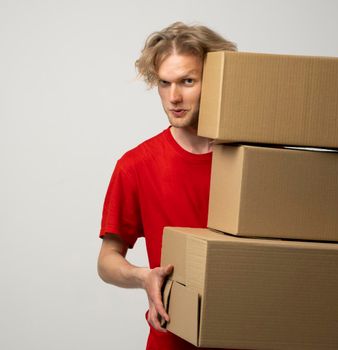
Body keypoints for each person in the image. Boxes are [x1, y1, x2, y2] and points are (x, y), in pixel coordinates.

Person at [97, 22, 236, 350]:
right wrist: (143, 277)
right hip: (174, 340)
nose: (174, 97)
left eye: (188, 81)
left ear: (214, 80)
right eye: (164, 83)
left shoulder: (255, 160)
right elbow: (107, 259)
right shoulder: (135, 165)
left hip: (248, 334)